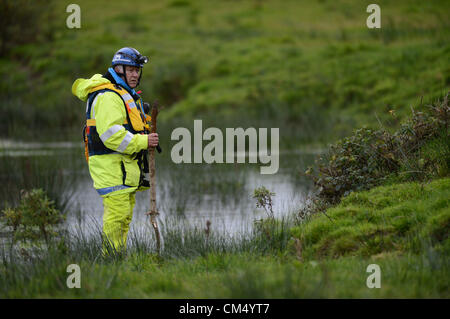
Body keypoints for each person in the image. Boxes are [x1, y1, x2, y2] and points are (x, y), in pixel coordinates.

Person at [71, 47, 159, 254]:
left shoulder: (123, 94)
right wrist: (143, 142)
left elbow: (128, 126)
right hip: (111, 168)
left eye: (137, 70)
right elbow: (111, 135)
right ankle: (110, 259)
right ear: (118, 69)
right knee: (117, 217)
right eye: (131, 70)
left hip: (123, 168)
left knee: (124, 217)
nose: (135, 75)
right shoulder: (109, 96)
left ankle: (117, 259)